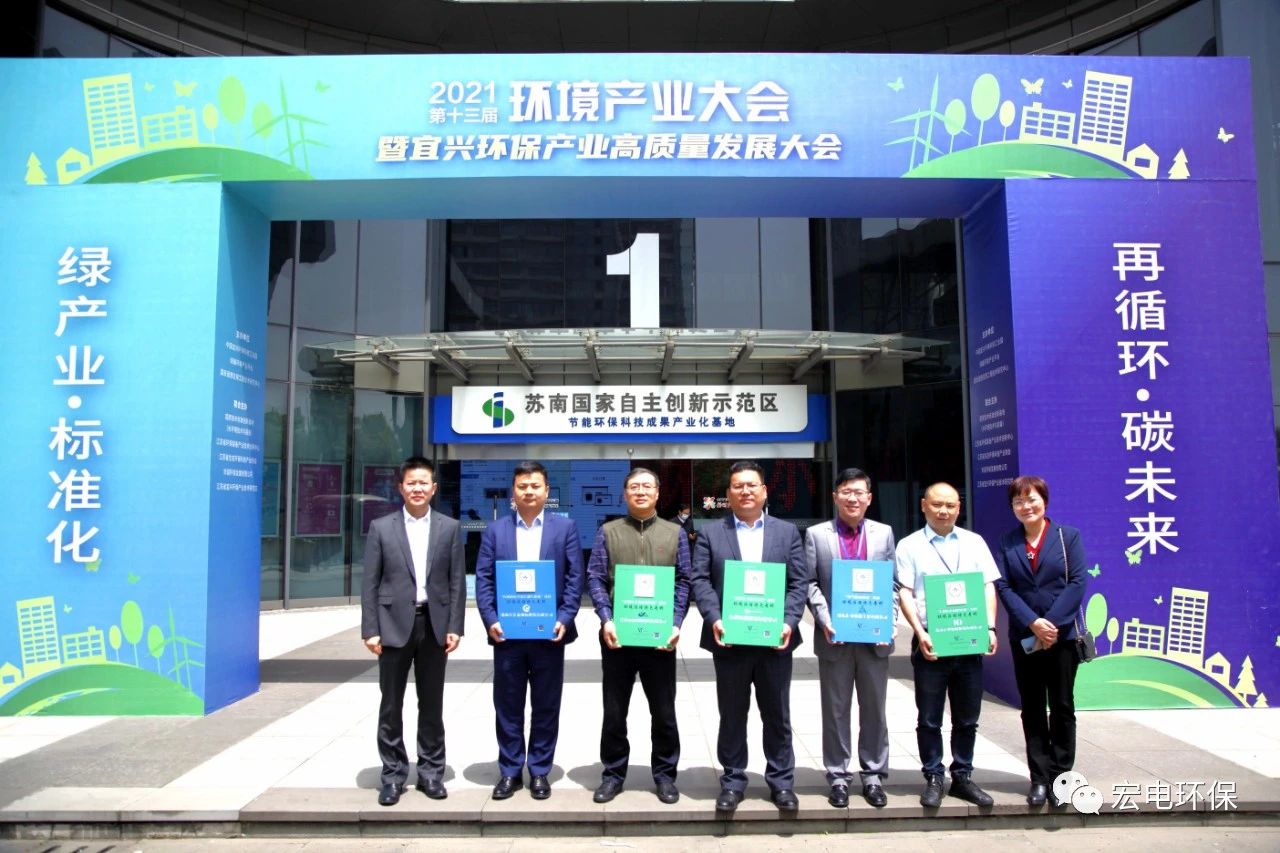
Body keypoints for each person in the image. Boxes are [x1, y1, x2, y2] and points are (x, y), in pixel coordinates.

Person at [690, 460, 808, 813]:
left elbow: (798, 582)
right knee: (732, 713)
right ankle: (732, 780)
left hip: (774, 642)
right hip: (730, 641)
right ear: (728, 494)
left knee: (777, 714)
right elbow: (700, 580)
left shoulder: (786, 532)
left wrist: (789, 621)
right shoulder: (711, 533)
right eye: (738, 486)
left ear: (764, 491)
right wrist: (715, 618)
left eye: (751, 485)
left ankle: (781, 782)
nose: (745, 491)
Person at [474, 461, 584, 801]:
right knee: (507, 705)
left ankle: (539, 770)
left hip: (549, 633)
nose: (529, 491)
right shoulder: (496, 530)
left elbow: (574, 578)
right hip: (507, 634)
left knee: (546, 704)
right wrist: (490, 618)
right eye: (522, 486)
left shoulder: (564, 528)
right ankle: (509, 770)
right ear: (514, 491)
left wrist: (565, 617)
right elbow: (484, 579)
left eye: (535, 486)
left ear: (547, 491)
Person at [360, 457, 466, 806]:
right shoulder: (381, 528)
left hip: (434, 626)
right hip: (392, 625)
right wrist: (370, 629)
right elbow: (370, 582)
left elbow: (456, 582)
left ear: (434, 488)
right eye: (411, 483)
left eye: (424, 483)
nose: (418, 488)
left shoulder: (449, 527)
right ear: (401, 487)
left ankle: (431, 772)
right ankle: (392, 775)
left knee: (432, 703)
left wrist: (455, 626)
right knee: (391, 704)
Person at [586, 467, 692, 805]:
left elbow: (684, 581)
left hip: (660, 638)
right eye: (634, 487)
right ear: (625, 493)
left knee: (664, 711)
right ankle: (613, 774)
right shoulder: (608, 531)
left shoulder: (675, 533)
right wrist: (606, 619)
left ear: (658, 493)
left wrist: (676, 623)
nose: (641, 491)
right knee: (614, 711)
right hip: (618, 637)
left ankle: (665, 775)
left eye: (647, 486)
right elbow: (596, 578)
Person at [895, 482, 999, 809]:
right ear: (924, 505)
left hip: (968, 638)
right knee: (929, 717)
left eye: (950, 505)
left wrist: (990, 627)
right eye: (937, 504)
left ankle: (963, 776)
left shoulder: (974, 542)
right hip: (931, 640)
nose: (943, 511)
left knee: (967, 716)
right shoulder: (909, 545)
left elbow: (987, 586)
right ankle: (934, 776)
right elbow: (905, 591)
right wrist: (918, 632)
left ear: (959, 508)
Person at [993, 475, 1088, 808]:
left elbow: (1077, 582)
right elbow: (1004, 586)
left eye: (1031, 499)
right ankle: (1039, 777)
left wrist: (1052, 625)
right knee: (1032, 708)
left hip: (1062, 638)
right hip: (1025, 636)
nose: (1026, 506)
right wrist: (1033, 623)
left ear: (1044, 501)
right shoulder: (1007, 542)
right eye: (1018, 501)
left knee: (1062, 706)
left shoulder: (1067, 537)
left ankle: (1061, 777)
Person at [805, 467, 896, 809]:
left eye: (859, 492)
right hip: (835, 639)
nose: (852, 498)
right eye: (846, 492)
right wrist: (825, 620)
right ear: (835, 497)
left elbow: (892, 583)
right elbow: (810, 583)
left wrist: (890, 621)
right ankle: (838, 777)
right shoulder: (817, 535)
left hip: (874, 639)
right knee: (835, 710)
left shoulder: (884, 534)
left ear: (869, 498)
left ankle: (873, 776)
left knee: (875, 710)